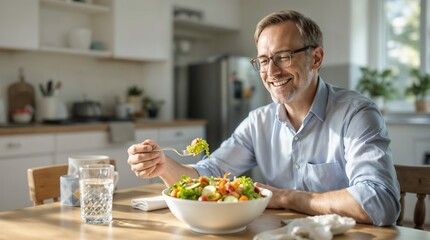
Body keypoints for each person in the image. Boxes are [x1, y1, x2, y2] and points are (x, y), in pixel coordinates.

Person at [127, 10, 400, 226]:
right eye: (263, 60)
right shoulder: (258, 122)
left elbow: (379, 202)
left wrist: (287, 197)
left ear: (315, 58)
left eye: (283, 56)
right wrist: (163, 166)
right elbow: (207, 177)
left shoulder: (356, 114)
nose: (272, 71)